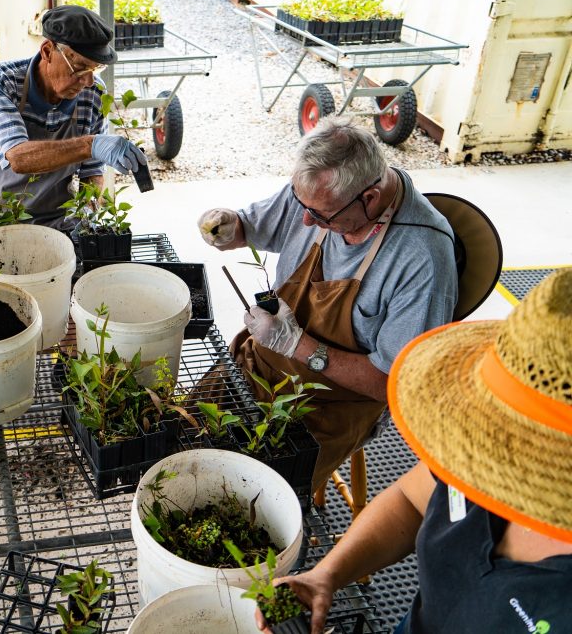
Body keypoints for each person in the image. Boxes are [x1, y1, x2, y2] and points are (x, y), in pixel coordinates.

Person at [257, 269, 572, 634]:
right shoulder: (483, 453)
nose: (491, 448)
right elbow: (412, 500)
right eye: (498, 426)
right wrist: (325, 576)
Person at [198, 117, 458, 491]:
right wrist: (226, 225)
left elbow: (395, 387)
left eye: (320, 216)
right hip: (259, 362)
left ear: (370, 198)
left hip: (329, 407)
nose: (305, 220)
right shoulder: (320, 194)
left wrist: (297, 345)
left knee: (244, 496)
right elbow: (249, 227)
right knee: (180, 439)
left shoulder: (422, 259)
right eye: (299, 202)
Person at [0, 4, 147, 230]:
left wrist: (87, 209)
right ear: (47, 51)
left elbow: (91, 171)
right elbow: (17, 157)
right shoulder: (3, 79)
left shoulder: (93, 93)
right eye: (81, 67)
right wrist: (90, 144)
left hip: (54, 220)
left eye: (95, 69)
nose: (88, 82)